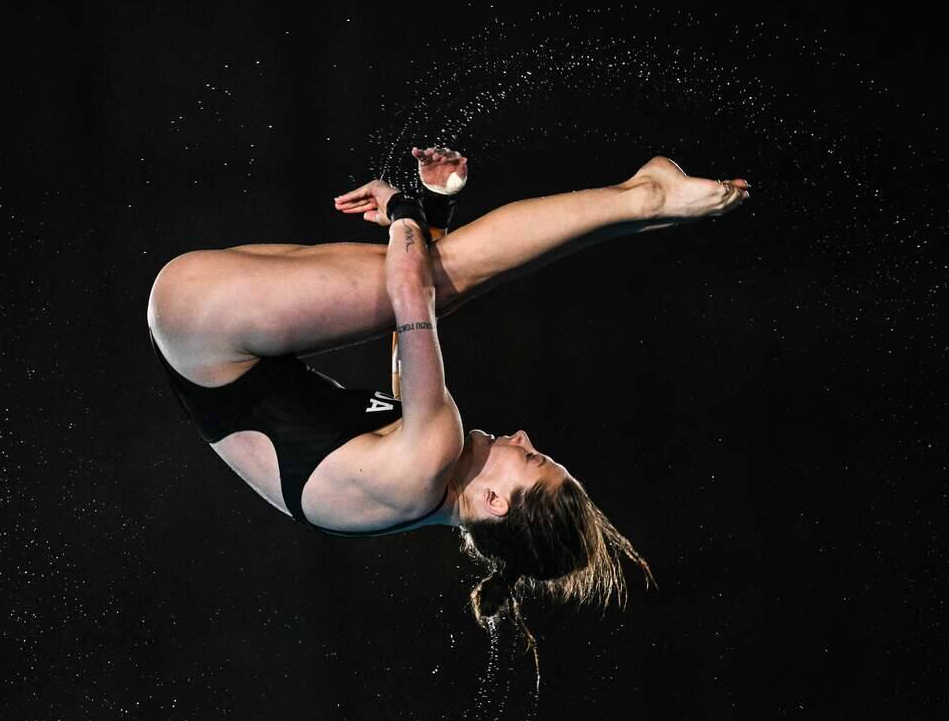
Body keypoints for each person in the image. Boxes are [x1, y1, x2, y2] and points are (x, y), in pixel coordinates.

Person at [147, 147, 749, 650]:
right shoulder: (420, 484)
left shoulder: (432, 456)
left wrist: (404, 208)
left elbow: (410, 291)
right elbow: (408, 332)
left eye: (532, 458)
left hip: (206, 319)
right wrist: (433, 210)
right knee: (441, 276)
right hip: (201, 334)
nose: (523, 437)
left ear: (494, 502)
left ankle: (647, 198)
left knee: (444, 273)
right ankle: (643, 207)